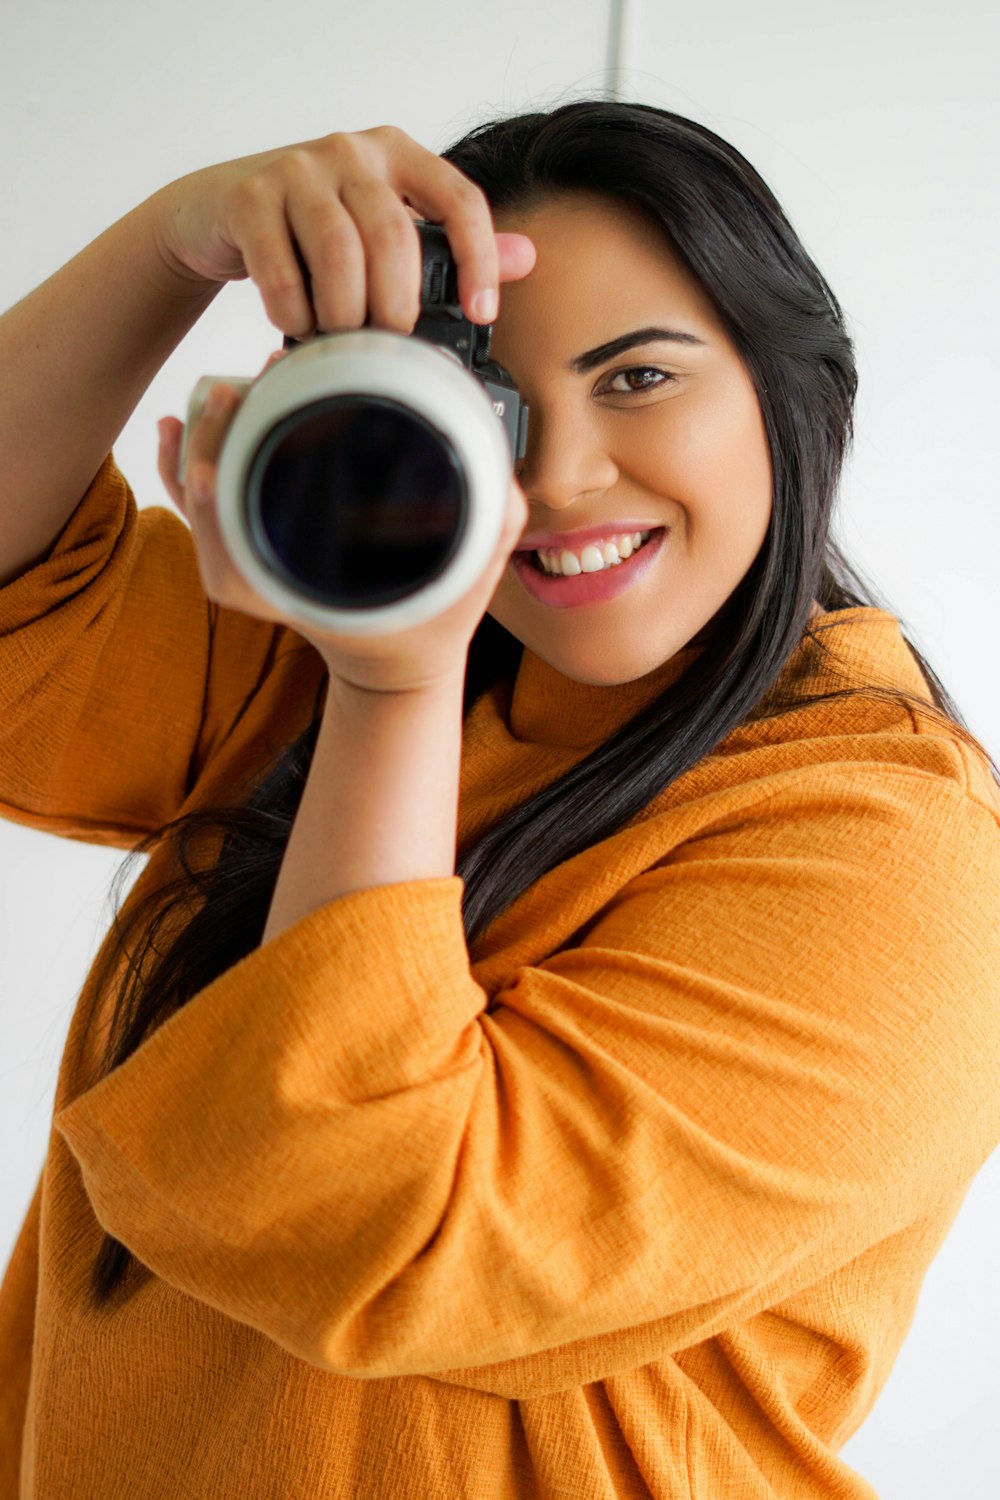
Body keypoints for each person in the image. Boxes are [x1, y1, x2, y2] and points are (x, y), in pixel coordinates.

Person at [0, 100, 997, 1500]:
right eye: (490, 408)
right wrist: (176, 247)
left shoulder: (897, 849)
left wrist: (388, 688)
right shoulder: (357, 660)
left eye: (639, 378)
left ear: (791, 389)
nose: (550, 476)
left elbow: (366, 1224)